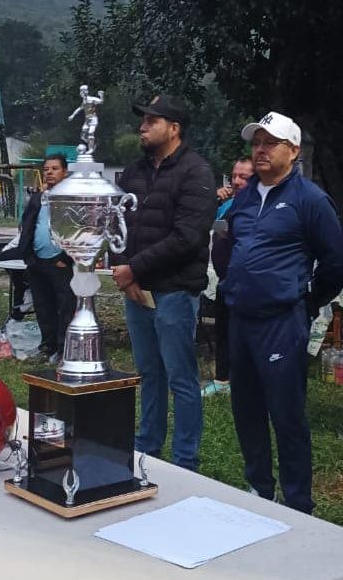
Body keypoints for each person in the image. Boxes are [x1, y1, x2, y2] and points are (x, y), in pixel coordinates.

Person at [221, 112, 343, 512]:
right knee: (246, 408)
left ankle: (298, 502)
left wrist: (305, 300)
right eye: (256, 142)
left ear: (292, 151)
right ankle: (260, 487)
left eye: (270, 143)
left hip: (282, 321)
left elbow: (336, 264)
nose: (260, 149)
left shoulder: (309, 200)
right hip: (241, 319)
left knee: (286, 414)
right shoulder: (242, 199)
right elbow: (232, 248)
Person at [111, 94, 215, 471]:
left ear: (174, 129)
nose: (142, 126)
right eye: (142, 120)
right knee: (148, 373)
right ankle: (147, 448)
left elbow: (187, 236)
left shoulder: (196, 173)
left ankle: (186, 460)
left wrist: (133, 268)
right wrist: (124, 273)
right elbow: (115, 224)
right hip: (137, 292)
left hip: (174, 291)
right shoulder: (132, 172)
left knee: (180, 377)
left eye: (152, 121)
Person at [0, 155, 74, 363]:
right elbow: (27, 227)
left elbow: (76, 230)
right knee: (43, 306)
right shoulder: (38, 198)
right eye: (46, 169)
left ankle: (63, 349)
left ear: (64, 172)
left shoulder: (69, 198)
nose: (49, 172)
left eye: (54, 168)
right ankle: (47, 346)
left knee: (64, 307)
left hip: (60, 262)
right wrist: (28, 255)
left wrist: (66, 259)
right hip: (37, 261)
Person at [203, 156, 254, 397]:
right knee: (222, 331)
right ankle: (221, 379)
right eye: (234, 176)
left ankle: (245, 383)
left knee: (243, 335)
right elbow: (204, 223)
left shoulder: (257, 205)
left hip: (247, 283)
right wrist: (213, 200)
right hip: (224, 280)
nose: (236, 181)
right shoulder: (227, 203)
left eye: (244, 177)